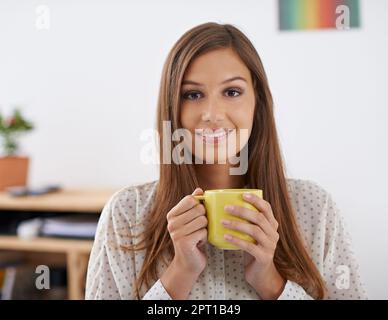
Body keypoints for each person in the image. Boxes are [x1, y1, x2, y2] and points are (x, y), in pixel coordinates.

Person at [85, 22, 367, 300]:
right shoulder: (125, 214)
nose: (213, 113)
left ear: (257, 101)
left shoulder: (315, 210)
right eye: (192, 95)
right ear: (173, 107)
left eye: (232, 92)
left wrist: (270, 282)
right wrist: (180, 274)